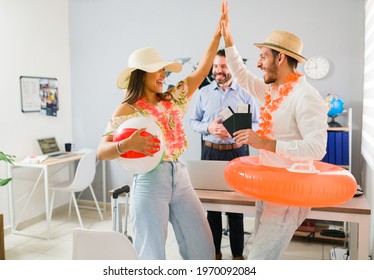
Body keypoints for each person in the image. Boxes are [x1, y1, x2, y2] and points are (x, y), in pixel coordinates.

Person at [96, 18, 222, 260]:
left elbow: (201, 72)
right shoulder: (126, 109)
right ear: (141, 74)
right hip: (149, 180)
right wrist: (126, 145)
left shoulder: (172, 99)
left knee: (202, 246)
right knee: (151, 254)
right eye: (159, 70)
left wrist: (217, 35)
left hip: (181, 177)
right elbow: (102, 151)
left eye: (164, 70)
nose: (164, 74)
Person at [219, 2, 328, 260]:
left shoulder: (305, 96)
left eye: (263, 56)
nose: (258, 63)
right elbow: (243, 76)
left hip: (289, 192)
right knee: (262, 256)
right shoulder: (272, 90)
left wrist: (265, 143)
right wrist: (229, 40)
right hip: (268, 187)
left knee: (260, 260)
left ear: (280, 58)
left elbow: (317, 149)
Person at [190, 49, 259, 260]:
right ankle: (215, 253)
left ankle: (238, 255)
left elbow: (258, 122)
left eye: (223, 66)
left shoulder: (246, 93)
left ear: (233, 68)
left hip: (237, 153)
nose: (218, 71)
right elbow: (193, 122)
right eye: (216, 66)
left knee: (236, 207)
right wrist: (208, 128)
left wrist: (240, 130)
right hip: (210, 152)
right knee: (212, 208)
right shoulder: (203, 93)